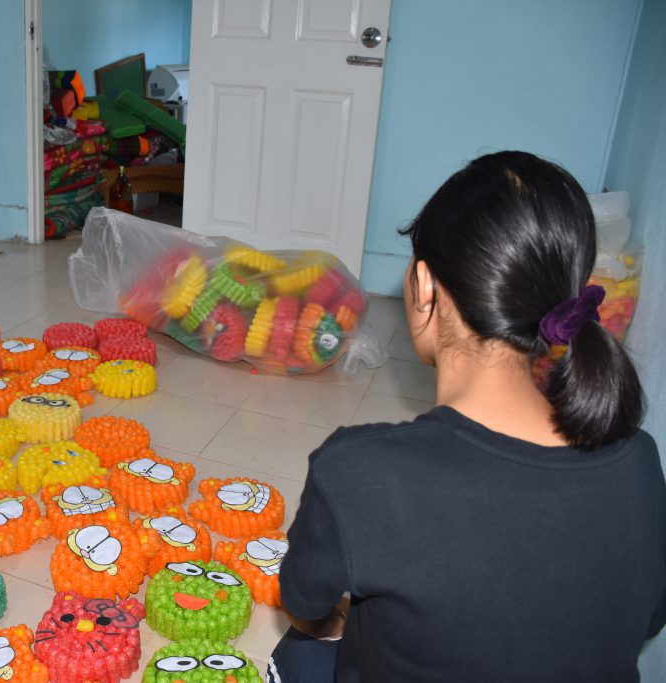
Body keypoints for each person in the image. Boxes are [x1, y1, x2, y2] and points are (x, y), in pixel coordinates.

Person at [269, 151, 666, 682]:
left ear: (425, 286)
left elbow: (303, 603)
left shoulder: (359, 471)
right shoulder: (639, 461)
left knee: (298, 651)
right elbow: (648, 618)